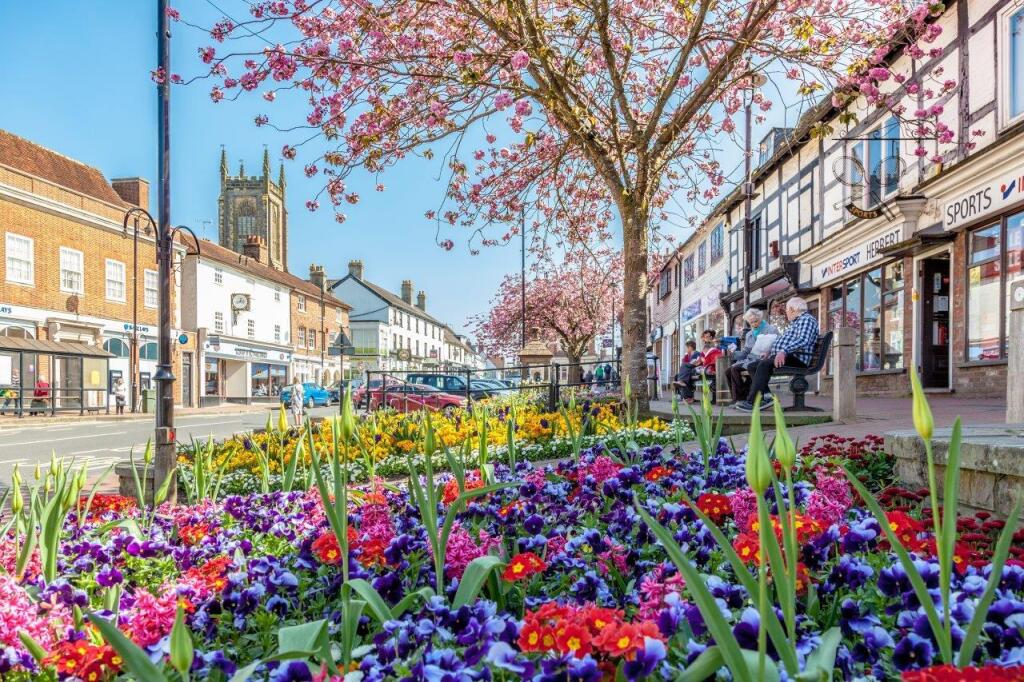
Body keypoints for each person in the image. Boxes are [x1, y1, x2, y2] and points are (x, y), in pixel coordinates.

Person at [734, 297, 820, 412]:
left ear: (793, 309)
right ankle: (766, 397)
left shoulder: (806, 319)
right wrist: (770, 352)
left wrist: (783, 351)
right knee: (752, 366)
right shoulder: (797, 322)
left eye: (788, 310)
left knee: (764, 365)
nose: (787, 312)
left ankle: (752, 401)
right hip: (790, 355)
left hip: (798, 357)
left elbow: (803, 340)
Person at [725, 308, 779, 403]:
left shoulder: (771, 329)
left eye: (756, 321)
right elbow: (745, 351)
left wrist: (769, 351)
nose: (754, 324)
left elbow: (778, 344)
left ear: (760, 318)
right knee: (728, 371)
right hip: (751, 359)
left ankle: (741, 398)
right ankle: (739, 398)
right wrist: (734, 352)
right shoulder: (749, 334)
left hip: (764, 358)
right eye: (751, 322)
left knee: (734, 369)